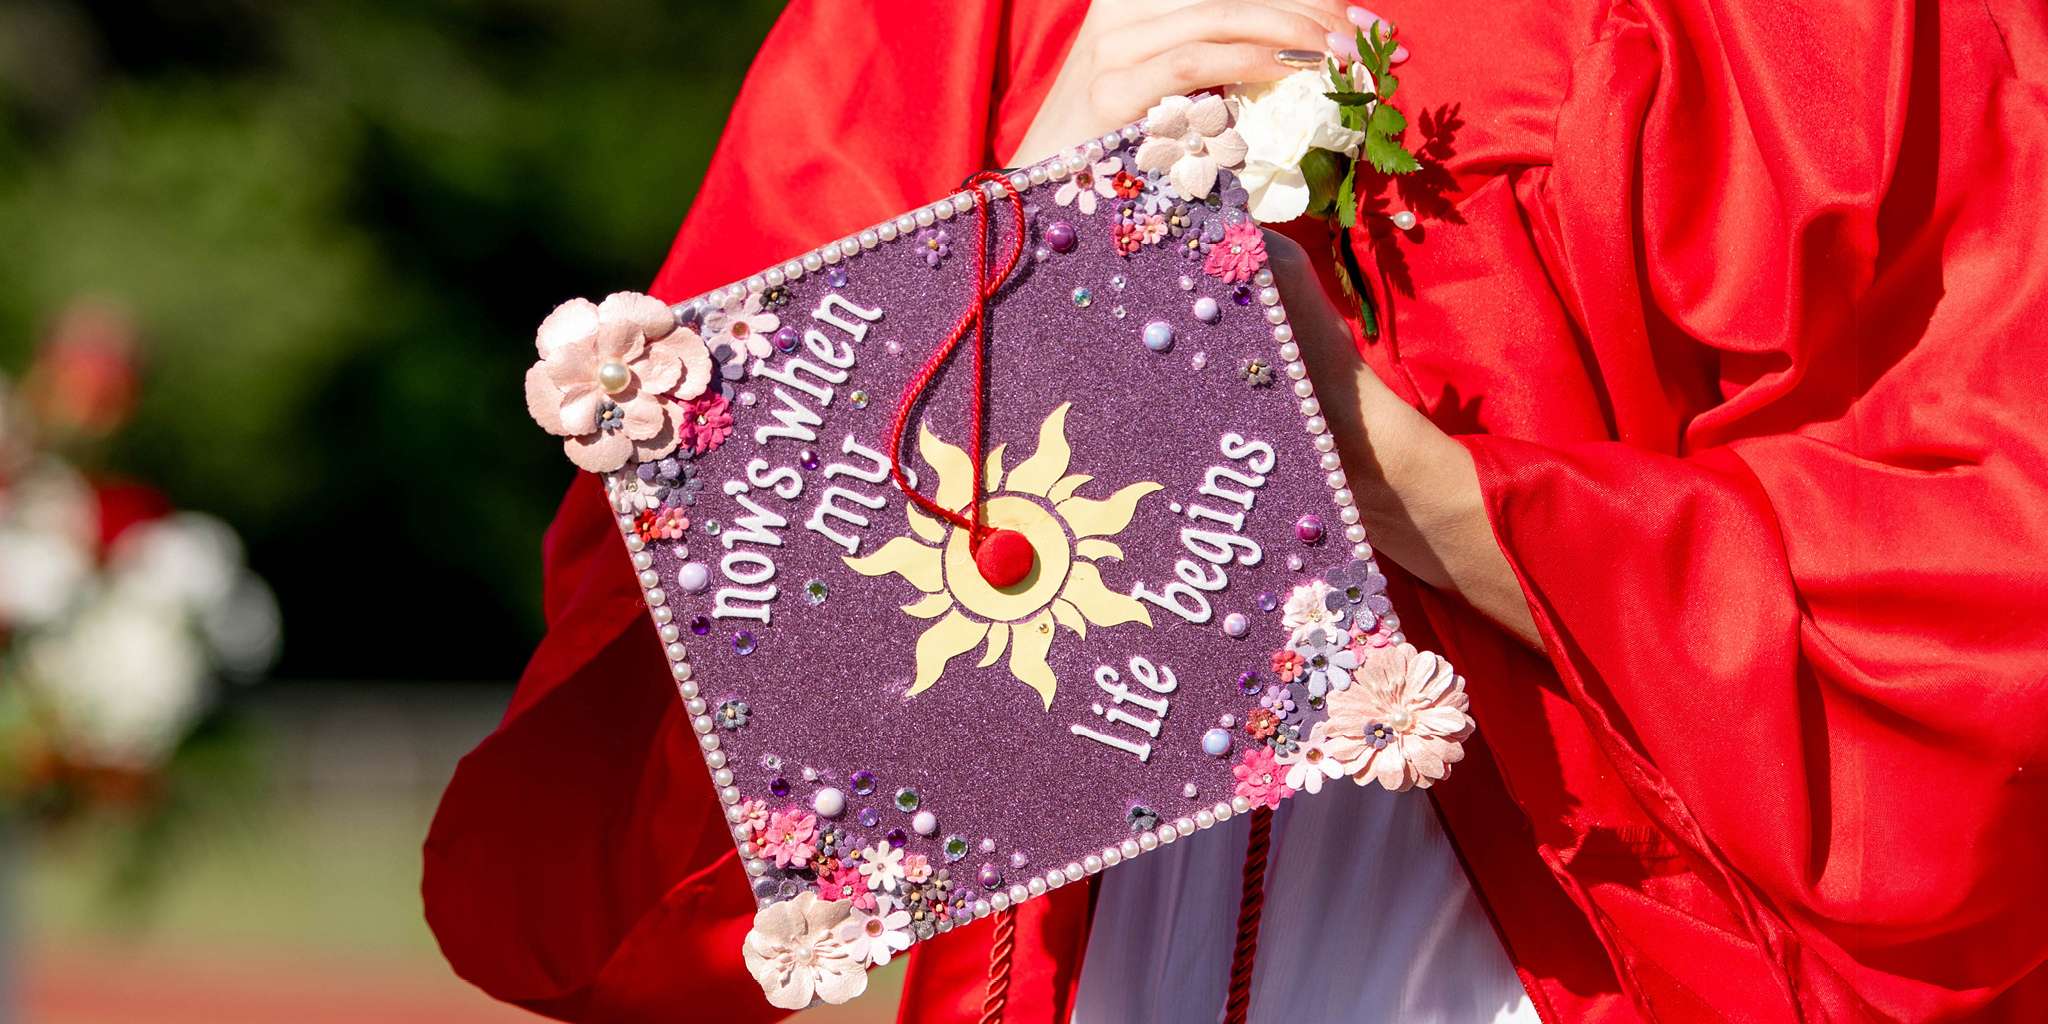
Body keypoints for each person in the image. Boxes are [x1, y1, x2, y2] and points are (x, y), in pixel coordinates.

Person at [424, 0, 2048, 1020]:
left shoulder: (1839, 35)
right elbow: (732, 754)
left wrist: (1392, 468)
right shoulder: (943, 33)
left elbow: (1973, 606)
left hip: (1582, 958)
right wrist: (993, 266)